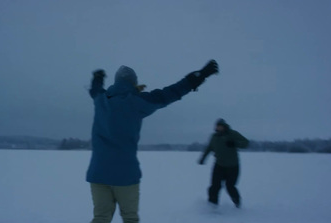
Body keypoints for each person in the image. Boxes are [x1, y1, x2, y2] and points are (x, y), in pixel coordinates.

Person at [87, 60, 219, 223]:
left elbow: (95, 90)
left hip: (98, 174)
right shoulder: (139, 101)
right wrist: (197, 77)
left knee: (100, 218)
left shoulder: (101, 99)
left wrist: (98, 78)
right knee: (129, 218)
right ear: (133, 83)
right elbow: (170, 93)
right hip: (126, 175)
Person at [198, 119, 249, 208]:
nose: (219, 127)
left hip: (233, 167)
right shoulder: (214, 137)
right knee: (215, 186)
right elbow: (209, 148)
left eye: (220, 126)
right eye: (217, 126)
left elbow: (246, 143)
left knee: (230, 186)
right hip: (219, 166)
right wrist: (203, 158)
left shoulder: (232, 134)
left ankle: (237, 203)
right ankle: (212, 206)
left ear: (224, 126)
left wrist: (235, 143)